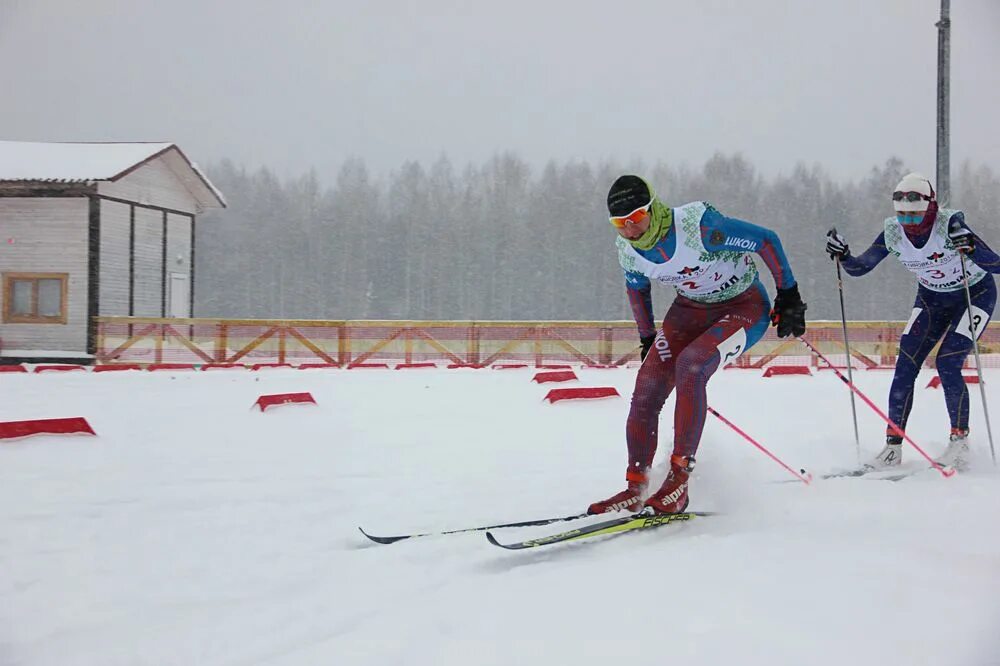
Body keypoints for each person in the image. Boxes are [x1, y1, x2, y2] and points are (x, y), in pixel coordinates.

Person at [588, 175, 806, 515]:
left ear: (653, 209)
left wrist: (788, 294)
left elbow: (766, 240)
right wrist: (647, 338)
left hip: (744, 307)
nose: (631, 231)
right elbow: (637, 289)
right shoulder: (628, 250)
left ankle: (679, 481)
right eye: (620, 224)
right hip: (689, 310)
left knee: (691, 366)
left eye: (637, 219)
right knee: (648, 382)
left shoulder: (698, 227)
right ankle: (636, 485)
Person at [826, 172, 1000, 470]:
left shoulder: (950, 225)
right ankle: (892, 448)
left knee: (947, 362)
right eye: (902, 216)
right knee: (905, 364)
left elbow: (995, 264)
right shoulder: (893, 232)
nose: (909, 224)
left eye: (915, 217)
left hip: (975, 295)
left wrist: (970, 246)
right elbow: (860, 268)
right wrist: (844, 256)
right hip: (932, 301)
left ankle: (960, 443)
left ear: (930, 209)